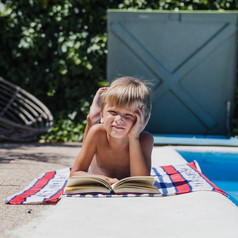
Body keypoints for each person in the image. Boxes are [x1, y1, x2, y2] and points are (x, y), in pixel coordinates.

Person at [70, 76, 154, 184]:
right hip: (99, 127)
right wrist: (107, 180)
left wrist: (134, 137)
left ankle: (93, 118)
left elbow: (142, 182)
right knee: (95, 129)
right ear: (102, 114)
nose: (119, 120)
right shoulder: (97, 133)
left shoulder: (145, 139)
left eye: (128, 115)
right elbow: (75, 174)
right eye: (113, 112)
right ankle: (91, 119)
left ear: (143, 119)